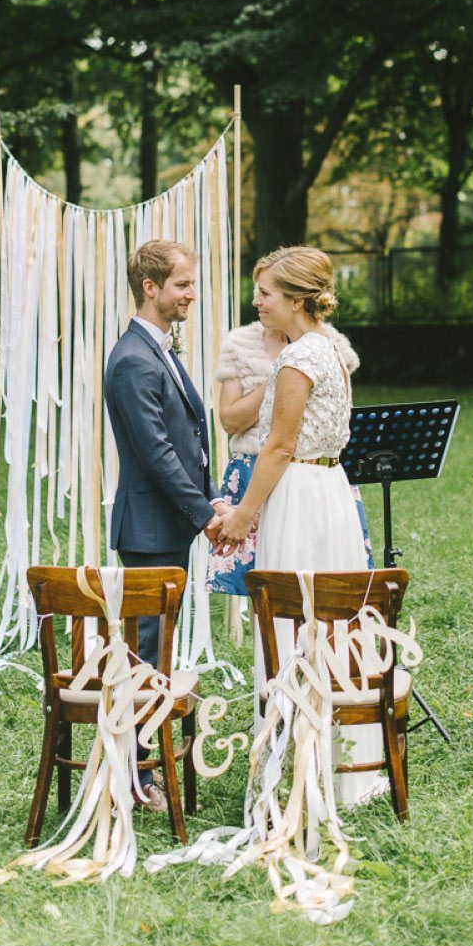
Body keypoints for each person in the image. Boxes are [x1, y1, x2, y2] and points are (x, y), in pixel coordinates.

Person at [213, 245, 383, 804]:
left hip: (299, 499)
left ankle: (291, 760)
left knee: (292, 624)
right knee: (333, 625)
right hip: (330, 491)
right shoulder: (328, 351)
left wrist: (243, 515)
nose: (257, 301)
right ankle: (335, 759)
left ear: (296, 299)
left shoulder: (297, 360)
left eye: (266, 293)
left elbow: (278, 447)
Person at [103, 238, 226, 809]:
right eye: (181, 285)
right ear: (150, 288)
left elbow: (185, 437)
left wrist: (210, 499)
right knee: (145, 656)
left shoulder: (159, 350)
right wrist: (204, 514)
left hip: (166, 525)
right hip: (151, 531)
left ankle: (147, 764)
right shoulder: (131, 358)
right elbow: (155, 452)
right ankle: (133, 773)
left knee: (159, 654)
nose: (191, 294)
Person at [208, 311, 374, 596]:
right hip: (256, 467)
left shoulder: (328, 345)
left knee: (308, 581)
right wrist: (279, 380)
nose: (257, 301)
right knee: (270, 583)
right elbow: (230, 421)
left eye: (265, 292)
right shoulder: (241, 345)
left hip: (306, 475)